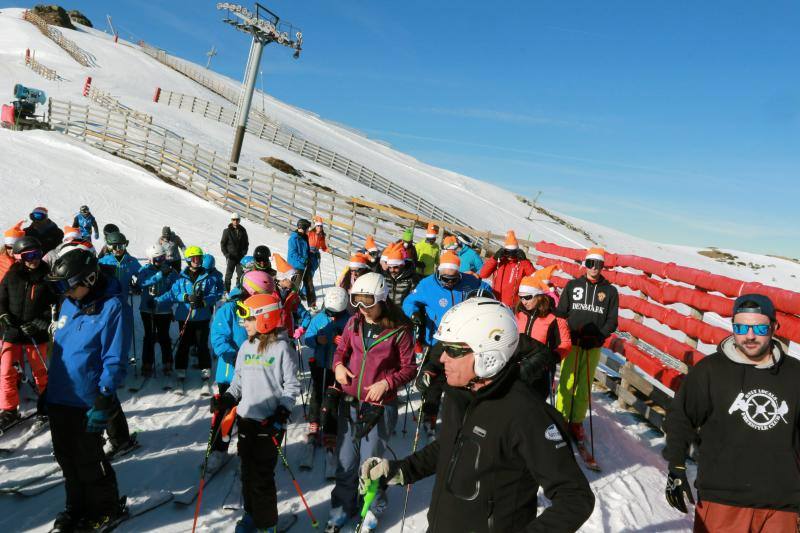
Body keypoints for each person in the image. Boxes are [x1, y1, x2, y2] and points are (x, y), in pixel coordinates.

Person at [359, 297, 595, 533]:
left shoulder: (526, 414)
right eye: (443, 349)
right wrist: (401, 469)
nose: (442, 358)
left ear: (488, 355)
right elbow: (450, 446)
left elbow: (575, 498)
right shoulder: (459, 394)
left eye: (453, 350)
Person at [663, 294, 800, 531]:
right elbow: (680, 417)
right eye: (741, 327)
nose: (749, 335)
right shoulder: (710, 370)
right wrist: (676, 465)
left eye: (759, 327)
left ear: (774, 327)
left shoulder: (795, 374)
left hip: (782, 503)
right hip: (722, 498)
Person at [44, 248, 131, 531]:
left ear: (90, 278)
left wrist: (105, 397)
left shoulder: (112, 308)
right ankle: (76, 506)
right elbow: (61, 351)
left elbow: (114, 358)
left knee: (89, 460)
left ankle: (106, 508)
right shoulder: (69, 302)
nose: (64, 293)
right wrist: (48, 390)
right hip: (60, 396)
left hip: (86, 401)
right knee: (65, 459)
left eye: (67, 286)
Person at [327, 272, 416, 532]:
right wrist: (338, 366)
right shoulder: (354, 322)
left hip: (379, 407)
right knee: (345, 462)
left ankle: (372, 507)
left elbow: (409, 368)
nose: (362, 308)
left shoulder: (400, 330)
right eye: (357, 302)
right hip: (350, 400)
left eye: (368, 302)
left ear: (382, 299)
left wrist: (386, 383)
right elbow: (342, 349)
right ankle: (343, 506)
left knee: (370, 464)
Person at [211, 292, 300, 532]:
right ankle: (252, 514)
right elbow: (238, 380)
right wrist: (227, 398)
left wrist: (282, 413)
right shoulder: (245, 347)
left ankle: (267, 524)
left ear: (265, 319)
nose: (244, 323)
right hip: (246, 421)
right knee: (247, 473)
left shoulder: (283, 348)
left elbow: (292, 385)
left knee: (262, 478)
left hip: (268, 423)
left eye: (248, 319)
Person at [208, 269, 275, 470]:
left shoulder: (263, 310)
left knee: (251, 414)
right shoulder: (230, 309)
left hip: (257, 373)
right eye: (260, 295)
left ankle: (246, 452)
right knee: (226, 413)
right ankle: (218, 450)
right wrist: (239, 357)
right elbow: (218, 339)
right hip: (230, 374)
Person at [554, 247, 618, 444]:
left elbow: (612, 320)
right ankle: (561, 418)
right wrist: (564, 336)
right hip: (572, 343)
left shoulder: (610, 291)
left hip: (592, 346)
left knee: (584, 385)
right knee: (567, 380)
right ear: (585, 264)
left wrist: (599, 336)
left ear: (602, 266)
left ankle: (576, 421)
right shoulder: (573, 285)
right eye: (590, 263)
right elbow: (561, 313)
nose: (594, 268)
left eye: (598, 264)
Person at [0, 236, 55, 428]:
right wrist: (3, 316)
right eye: (29, 255)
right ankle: (9, 409)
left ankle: (46, 405)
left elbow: (56, 304)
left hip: (35, 331)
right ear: (20, 257)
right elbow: (1, 298)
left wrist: (42, 321)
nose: (34, 259)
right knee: (6, 370)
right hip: (13, 331)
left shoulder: (48, 276)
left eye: (37, 254)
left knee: (40, 370)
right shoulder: (13, 274)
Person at [155, 246, 222, 380]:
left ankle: (205, 367)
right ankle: (181, 368)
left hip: (202, 317)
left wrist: (203, 302)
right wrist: (183, 298)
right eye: (194, 258)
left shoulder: (208, 277)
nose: (197, 260)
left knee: (201, 343)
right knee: (184, 343)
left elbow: (215, 294)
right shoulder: (181, 277)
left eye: (199, 258)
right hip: (185, 317)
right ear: (188, 259)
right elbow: (173, 294)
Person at [302, 287, 350, 468]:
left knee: (332, 398)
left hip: (337, 368)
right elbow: (307, 339)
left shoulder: (349, 321)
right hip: (320, 364)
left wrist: (343, 341)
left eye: (336, 313)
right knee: (317, 395)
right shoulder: (319, 318)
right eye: (330, 312)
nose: (332, 316)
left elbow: (354, 342)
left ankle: (330, 429)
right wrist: (317, 340)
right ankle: (314, 423)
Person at [402, 251, 493, 346]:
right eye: (445, 279)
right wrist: (413, 313)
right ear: (439, 272)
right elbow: (409, 302)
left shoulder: (469, 280)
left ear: (458, 273)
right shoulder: (427, 284)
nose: (449, 282)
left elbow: (486, 288)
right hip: (437, 337)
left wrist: (485, 298)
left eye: (453, 279)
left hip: (462, 336)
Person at [137, 244, 178, 376]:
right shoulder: (145, 270)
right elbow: (141, 283)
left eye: (163, 257)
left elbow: (175, 290)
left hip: (164, 310)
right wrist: (160, 275)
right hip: (147, 309)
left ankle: (167, 362)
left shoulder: (171, 271)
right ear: (150, 259)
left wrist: (164, 302)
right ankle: (147, 363)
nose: (161, 261)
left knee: (164, 336)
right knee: (149, 336)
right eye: (158, 259)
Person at [478, 230, 535, 308]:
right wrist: (494, 258)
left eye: (513, 252)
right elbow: (483, 274)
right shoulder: (498, 262)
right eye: (508, 252)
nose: (510, 255)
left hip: (513, 306)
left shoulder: (522, 263)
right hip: (495, 302)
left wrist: (524, 261)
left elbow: (534, 278)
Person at [270, 254, 311, 337]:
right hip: (272, 337)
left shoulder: (292, 296)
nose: (294, 281)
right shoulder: (269, 293)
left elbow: (306, 316)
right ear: (282, 278)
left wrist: (301, 329)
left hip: (288, 336)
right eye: (292, 278)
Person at [98, 232, 141, 298]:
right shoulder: (103, 262)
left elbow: (143, 274)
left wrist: (138, 285)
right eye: (115, 247)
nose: (118, 249)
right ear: (110, 247)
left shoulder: (131, 261)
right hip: (108, 300)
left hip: (124, 299)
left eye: (121, 246)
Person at [288, 218, 316, 307]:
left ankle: (312, 305)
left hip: (305, 265)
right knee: (295, 287)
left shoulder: (305, 237)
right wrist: (303, 260)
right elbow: (293, 254)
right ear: (303, 228)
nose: (308, 230)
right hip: (296, 266)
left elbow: (306, 250)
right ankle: (290, 305)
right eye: (307, 228)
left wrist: (310, 255)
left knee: (309, 285)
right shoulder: (293, 239)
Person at [220, 213, 249, 293]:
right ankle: (226, 291)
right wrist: (226, 254)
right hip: (231, 257)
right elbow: (223, 244)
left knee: (240, 275)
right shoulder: (227, 231)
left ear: (239, 220)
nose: (235, 221)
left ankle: (237, 290)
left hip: (240, 257)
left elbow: (246, 243)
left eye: (237, 220)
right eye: (233, 220)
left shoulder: (243, 230)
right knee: (228, 275)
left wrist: (244, 252)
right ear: (231, 220)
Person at [308, 215, 329, 284]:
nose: (319, 227)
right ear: (315, 226)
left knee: (312, 271)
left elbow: (323, 246)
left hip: (316, 254)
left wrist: (327, 250)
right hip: (309, 252)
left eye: (321, 226)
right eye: (318, 226)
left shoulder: (322, 236)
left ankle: (306, 290)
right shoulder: (310, 233)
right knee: (307, 271)